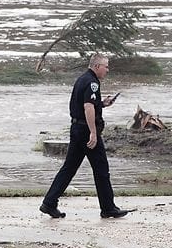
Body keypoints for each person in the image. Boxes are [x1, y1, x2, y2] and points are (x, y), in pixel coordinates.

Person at [40, 53, 131, 220]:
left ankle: (49, 202)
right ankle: (108, 208)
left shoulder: (83, 79)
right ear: (97, 66)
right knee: (101, 169)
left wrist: (102, 104)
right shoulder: (92, 83)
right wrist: (93, 133)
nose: (107, 70)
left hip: (77, 129)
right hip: (85, 131)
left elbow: (89, 104)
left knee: (69, 168)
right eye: (106, 66)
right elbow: (88, 108)